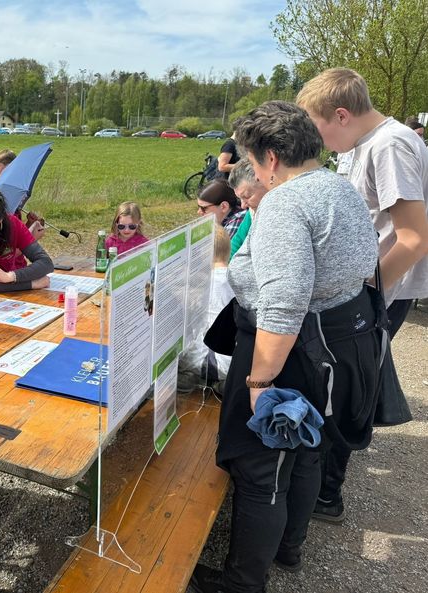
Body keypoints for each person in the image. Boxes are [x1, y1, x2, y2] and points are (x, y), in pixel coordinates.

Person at [189, 101, 382, 593]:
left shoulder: (286, 202)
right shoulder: (340, 187)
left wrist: (259, 379)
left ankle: (242, 583)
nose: (252, 172)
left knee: (261, 468)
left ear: (271, 158)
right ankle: (288, 548)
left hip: (288, 352)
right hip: (335, 344)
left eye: (253, 163)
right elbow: (365, 263)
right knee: (305, 451)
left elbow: (285, 298)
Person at [297, 68, 428, 522]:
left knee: (345, 383)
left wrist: (367, 295)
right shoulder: (363, 144)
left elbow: (413, 238)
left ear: (341, 114)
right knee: (348, 378)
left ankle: (326, 494)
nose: (316, 143)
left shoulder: (390, 146)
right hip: (367, 287)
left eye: (317, 130)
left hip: (376, 291)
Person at [177, 226, 234, 394]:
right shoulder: (235, 278)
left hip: (201, 361)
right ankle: (223, 382)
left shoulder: (204, 284)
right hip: (232, 363)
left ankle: (193, 375)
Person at [227, 157, 267, 259]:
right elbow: (237, 242)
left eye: (247, 196)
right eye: (240, 199)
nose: (243, 206)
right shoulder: (252, 212)